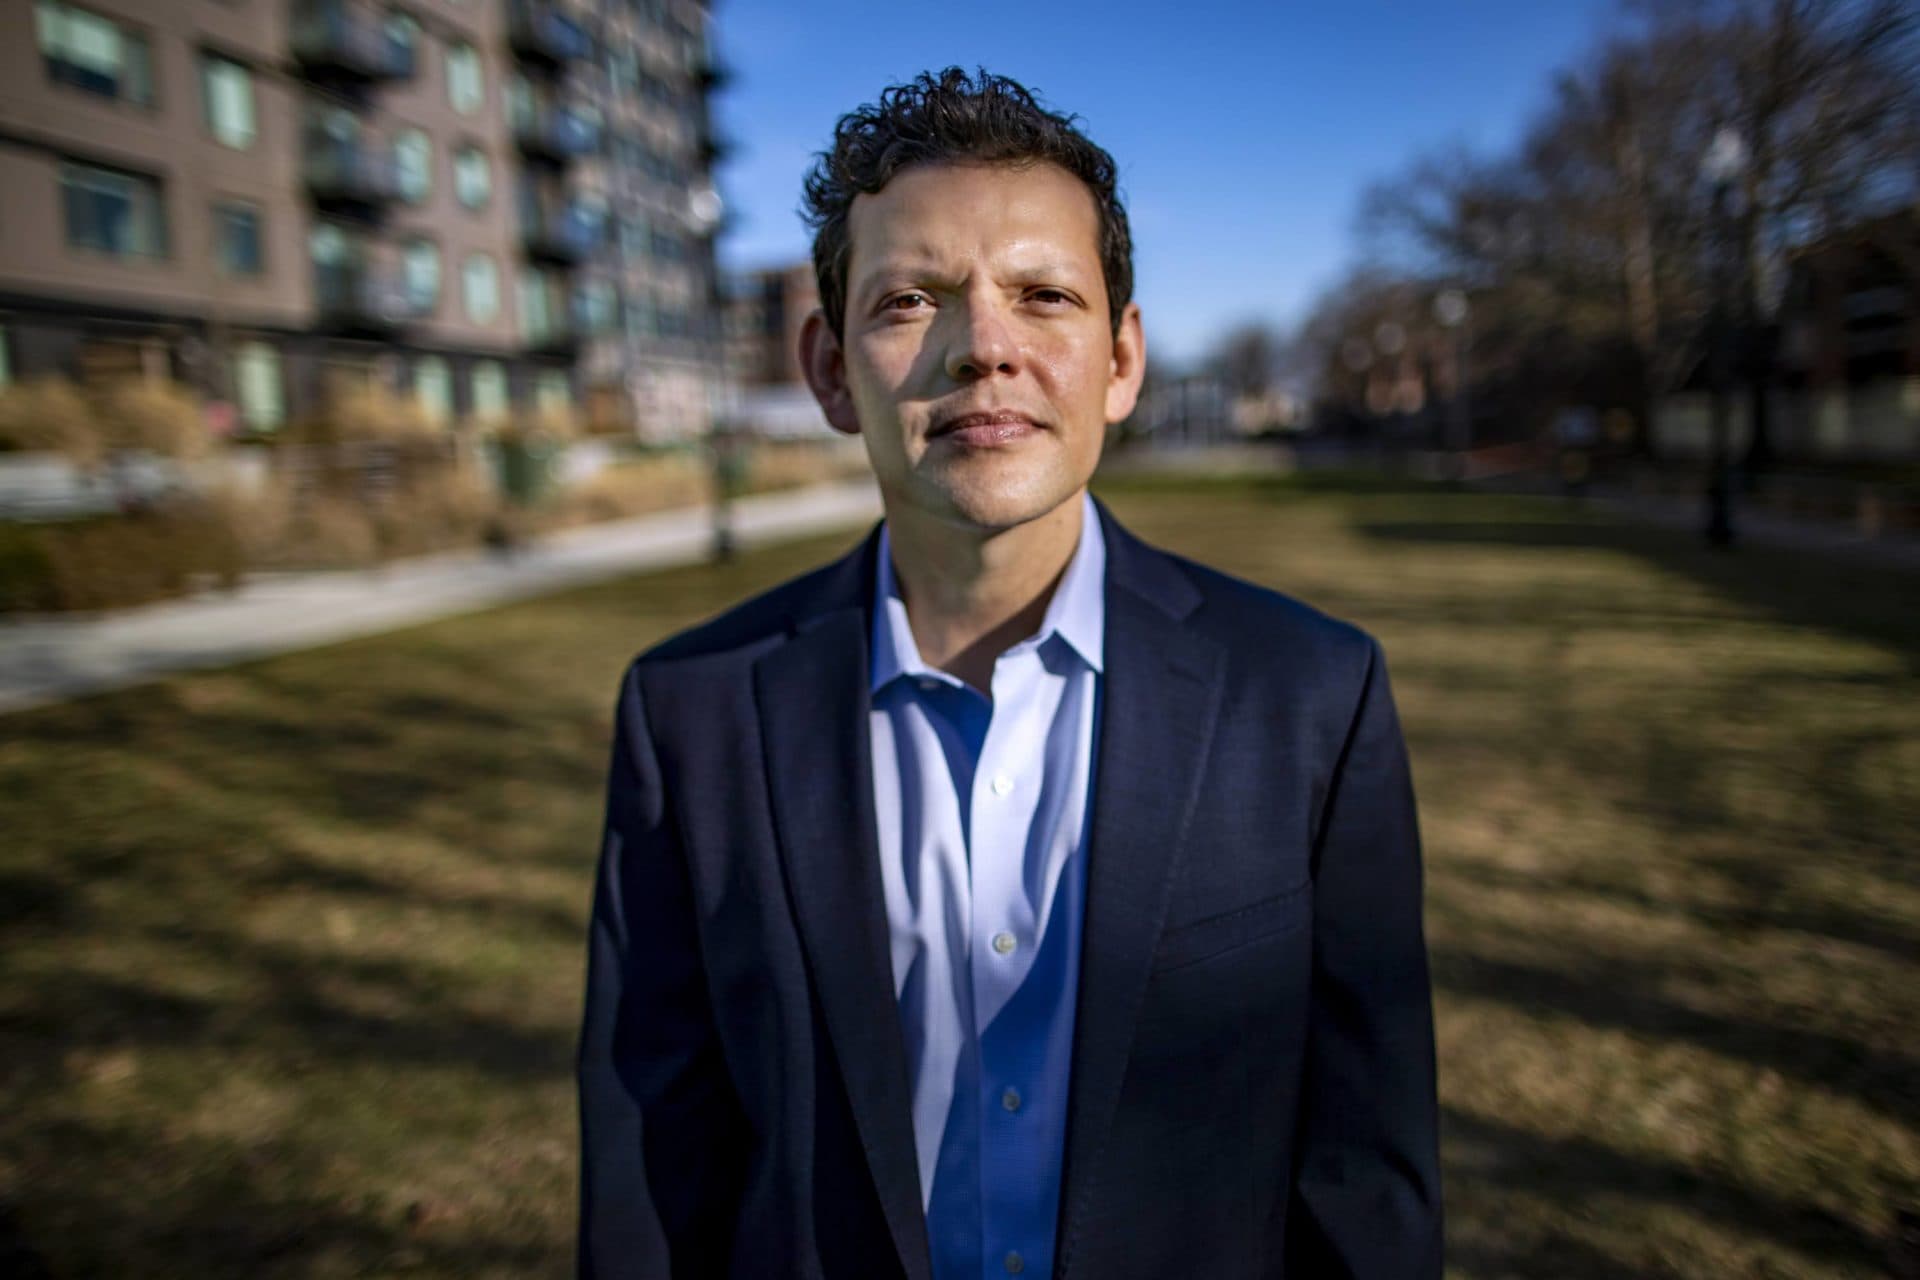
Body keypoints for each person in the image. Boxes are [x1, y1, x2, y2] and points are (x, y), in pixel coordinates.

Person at [577, 68, 1442, 1280]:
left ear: (1122, 361)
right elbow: (650, 1167)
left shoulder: (1310, 695)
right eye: (910, 299)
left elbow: (1368, 1171)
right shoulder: (691, 714)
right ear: (829, 370)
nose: (984, 346)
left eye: (1043, 295)